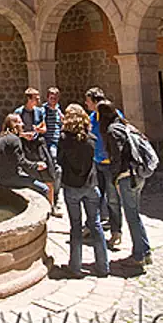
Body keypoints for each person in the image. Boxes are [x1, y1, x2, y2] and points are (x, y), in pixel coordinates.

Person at [55, 104, 109, 278]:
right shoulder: (91, 139)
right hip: (90, 186)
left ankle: (75, 267)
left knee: (76, 227)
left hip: (72, 187)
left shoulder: (64, 139)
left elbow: (60, 160)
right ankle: (103, 266)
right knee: (96, 225)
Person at [105, 110, 153, 269]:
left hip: (127, 177)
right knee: (135, 215)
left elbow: (118, 158)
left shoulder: (113, 131)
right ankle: (145, 251)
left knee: (132, 217)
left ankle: (139, 256)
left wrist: (115, 179)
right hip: (139, 175)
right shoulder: (128, 127)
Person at [85, 87, 121, 250]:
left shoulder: (113, 115)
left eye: (88, 101)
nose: (86, 104)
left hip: (111, 165)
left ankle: (116, 232)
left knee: (113, 199)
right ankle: (92, 226)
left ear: (94, 101)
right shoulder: (92, 117)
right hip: (97, 162)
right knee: (95, 197)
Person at [15, 88, 58, 213]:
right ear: (29, 99)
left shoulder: (39, 111)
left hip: (39, 145)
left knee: (49, 175)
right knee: (31, 176)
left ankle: (51, 207)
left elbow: (44, 127)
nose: (39, 100)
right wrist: (24, 135)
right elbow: (16, 131)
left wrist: (39, 130)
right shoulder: (19, 112)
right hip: (26, 147)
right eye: (36, 97)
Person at [0, 113, 49, 197]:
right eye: (20, 122)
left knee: (29, 176)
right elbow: (20, 161)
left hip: (0, 176)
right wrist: (36, 165)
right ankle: (48, 209)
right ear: (14, 125)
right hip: (10, 178)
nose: (22, 124)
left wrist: (22, 135)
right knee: (44, 188)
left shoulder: (3, 137)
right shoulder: (15, 140)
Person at [42, 87, 65, 216]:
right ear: (48, 98)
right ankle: (53, 197)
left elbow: (60, 125)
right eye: (52, 97)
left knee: (58, 170)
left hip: (59, 142)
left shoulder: (58, 110)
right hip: (49, 143)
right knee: (54, 167)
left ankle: (54, 195)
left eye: (56, 97)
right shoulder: (43, 110)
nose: (54, 99)